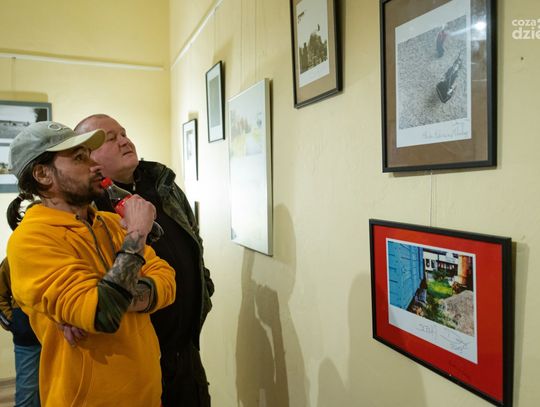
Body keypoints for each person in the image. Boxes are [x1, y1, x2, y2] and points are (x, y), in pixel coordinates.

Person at [6, 121, 176, 406]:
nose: (94, 165)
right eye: (79, 158)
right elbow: (102, 313)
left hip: (147, 395)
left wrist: (113, 296)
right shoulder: (30, 241)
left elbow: (167, 280)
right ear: (43, 174)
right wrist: (137, 234)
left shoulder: (110, 223)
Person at [74, 114, 215, 407]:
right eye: (110, 138)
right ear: (88, 158)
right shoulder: (85, 208)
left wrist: (203, 283)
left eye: (124, 133)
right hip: (131, 359)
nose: (124, 141)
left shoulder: (164, 185)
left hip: (185, 352)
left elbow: (194, 239)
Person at [0, 258, 41, 407]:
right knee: (27, 392)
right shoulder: (11, 260)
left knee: (56, 389)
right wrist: (13, 324)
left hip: (60, 337)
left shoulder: (53, 254)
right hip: (27, 339)